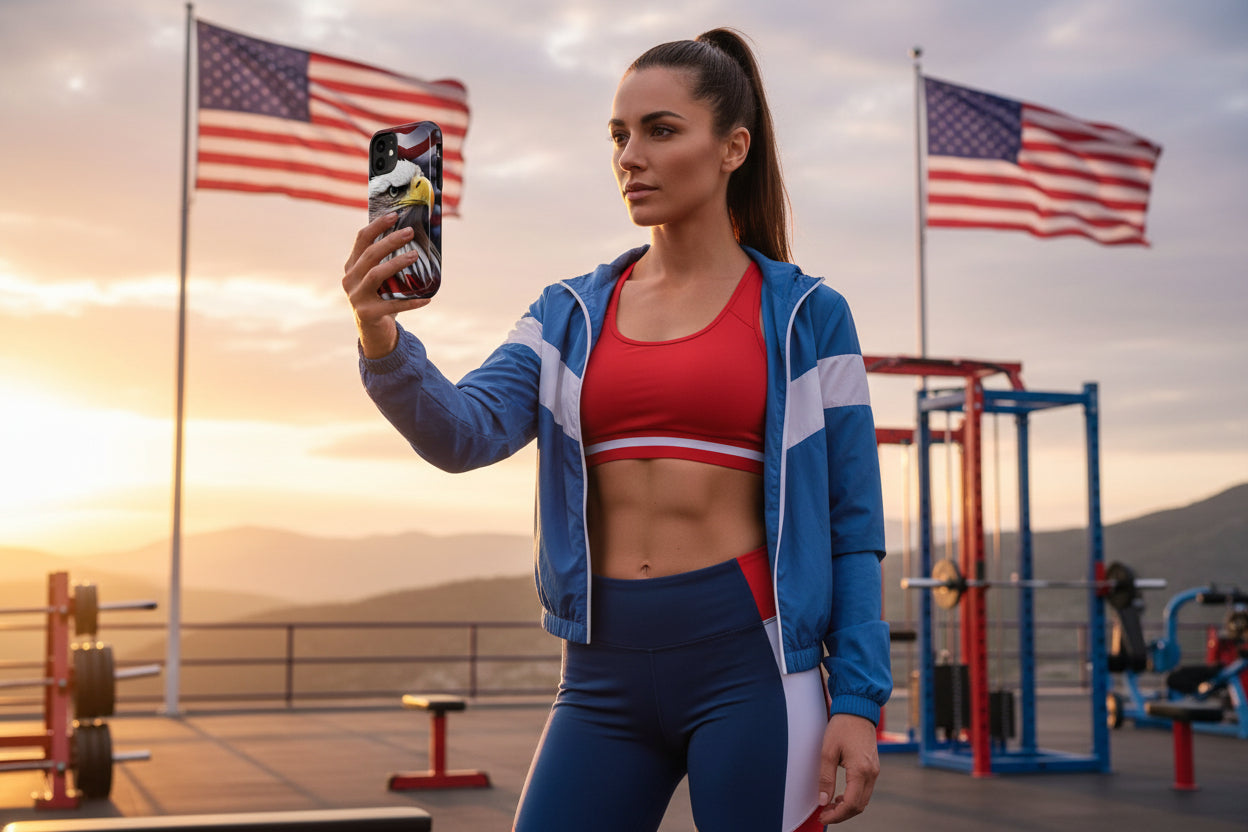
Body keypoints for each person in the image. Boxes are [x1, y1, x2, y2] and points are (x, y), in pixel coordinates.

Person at [343, 28, 890, 831]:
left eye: (660, 131)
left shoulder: (808, 315)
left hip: (753, 668)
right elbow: (463, 434)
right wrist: (378, 336)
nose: (630, 156)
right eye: (619, 135)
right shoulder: (568, 314)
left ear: (732, 147)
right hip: (600, 677)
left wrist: (860, 700)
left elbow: (853, 525)